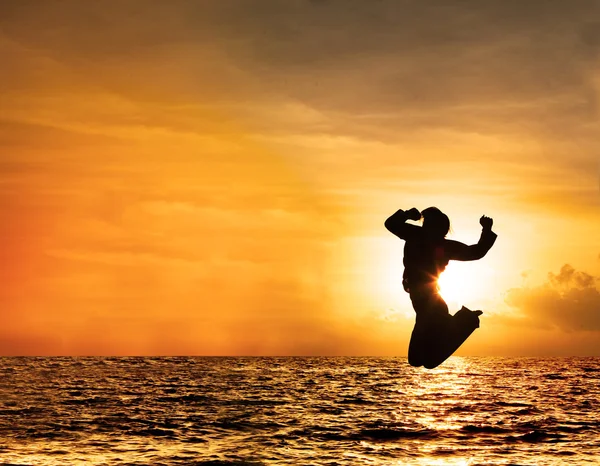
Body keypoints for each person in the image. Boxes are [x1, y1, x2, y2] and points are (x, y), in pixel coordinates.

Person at [385, 207, 497, 369]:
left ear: (439, 228)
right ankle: (462, 321)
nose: (426, 227)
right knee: (416, 360)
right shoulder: (414, 235)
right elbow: (391, 224)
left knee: (427, 361)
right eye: (426, 223)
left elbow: (476, 252)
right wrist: (407, 215)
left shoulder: (440, 245)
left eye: (429, 224)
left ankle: (466, 320)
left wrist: (486, 230)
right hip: (423, 303)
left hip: (432, 304)